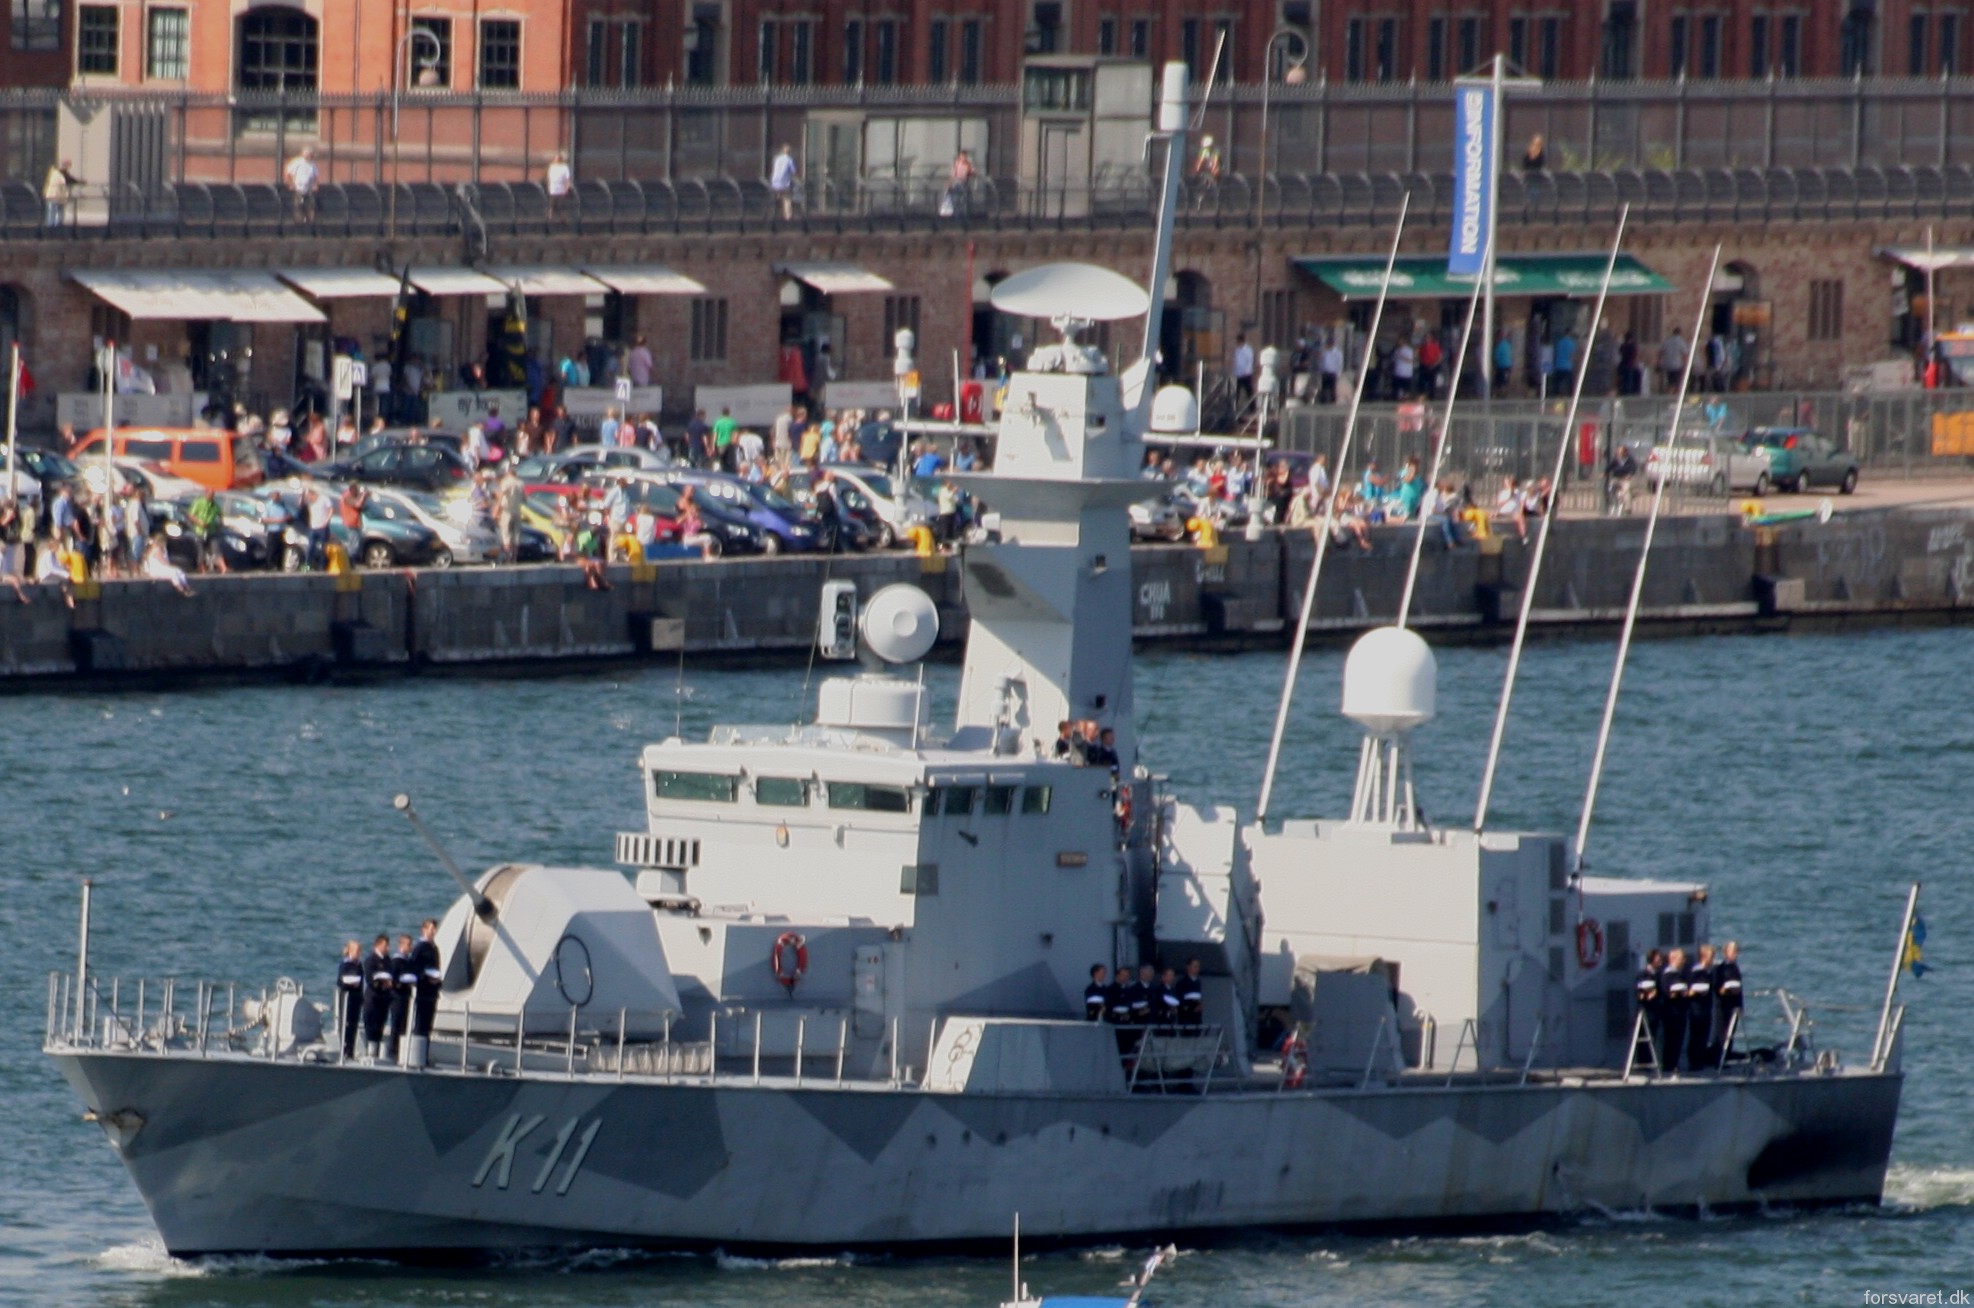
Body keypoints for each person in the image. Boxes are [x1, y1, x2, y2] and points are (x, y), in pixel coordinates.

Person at [359, 934, 395, 1060]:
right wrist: (382, 983)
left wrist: (389, 984)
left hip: (384, 998)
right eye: (385, 945)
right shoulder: (370, 960)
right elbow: (370, 979)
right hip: (373, 997)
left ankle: (378, 1052)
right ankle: (371, 1052)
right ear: (378, 945)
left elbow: (392, 974)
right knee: (371, 1024)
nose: (388, 948)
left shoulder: (388, 961)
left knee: (381, 1024)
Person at [410, 918, 444, 1042]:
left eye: (435, 929)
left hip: (432, 991)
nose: (434, 931)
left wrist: (438, 981)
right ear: (424, 930)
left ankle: (424, 1051)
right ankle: (417, 1049)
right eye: (431, 929)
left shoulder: (434, 947)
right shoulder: (420, 947)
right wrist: (425, 978)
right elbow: (413, 967)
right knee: (421, 1021)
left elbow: (437, 967)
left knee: (428, 1023)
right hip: (423, 989)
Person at [1685, 943, 1717, 1071]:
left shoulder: (1708, 972)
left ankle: (1700, 1060)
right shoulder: (1697, 972)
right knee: (1696, 1037)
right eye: (1711, 957)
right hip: (1697, 1009)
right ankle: (1694, 1062)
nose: (1712, 959)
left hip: (1706, 1008)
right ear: (1704, 957)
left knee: (1703, 1036)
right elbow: (1690, 989)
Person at [1658, 947, 1689, 1072]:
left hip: (1680, 1012)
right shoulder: (1668, 975)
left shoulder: (1679, 975)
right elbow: (1667, 992)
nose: (1684, 961)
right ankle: (1669, 1065)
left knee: (1678, 1040)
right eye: (1682, 959)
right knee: (1671, 1040)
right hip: (1671, 1012)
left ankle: (1674, 1063)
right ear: (1673, 959)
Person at [388, 933, 417, 1062]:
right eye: (408, 944)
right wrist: (401, 983)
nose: (411, 947)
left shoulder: (409, 961)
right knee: (396, 1024)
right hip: (397, 996)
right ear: (401, 945)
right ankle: (392, 1050)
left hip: (406, 996)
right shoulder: (396, 961)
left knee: (405, 1025)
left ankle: (401, 1050)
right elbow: (393, 980)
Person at [1713, 940, 1744, 1056]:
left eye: (1736, 951)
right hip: (1723, 1005)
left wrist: (1740, 1005)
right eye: (1733, 951)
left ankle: (1727, 1055)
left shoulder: (1735, 968)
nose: (1735, 954)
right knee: (1722, 1033)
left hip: (1734, 1005)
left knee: (1731, 1033)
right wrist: (1726, 990)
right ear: (1726, 952)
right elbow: (1717, 988)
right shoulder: (1721, 968)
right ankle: (1720, 1056)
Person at [1634, 948, 1664, 1068]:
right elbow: (1639, 991)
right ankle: (1643, 1063)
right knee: (1644, 1036)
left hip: (1656, 1009)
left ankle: (1650, 1061)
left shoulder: (1659, 974)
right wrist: (1647, 994)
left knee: (1653, 1036)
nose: (1660, 960)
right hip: (1647, 1009)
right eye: (1658, 958)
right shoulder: (1644, 974)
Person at [336, 940, 365, 1059]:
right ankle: (344, 1047)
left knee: (354, 1023)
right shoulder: (345, 964)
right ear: (350, 951)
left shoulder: (359, 965)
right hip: (347, 996)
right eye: (356, 951)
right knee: (346, 1023)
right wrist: (350, 983)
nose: (358, 954)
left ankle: (351, 1049)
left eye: (359, 951)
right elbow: (340, 981)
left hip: (356, 997)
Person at [188, 488, 225, 574]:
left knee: (216, 548)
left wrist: (219, 525)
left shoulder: (215, 505)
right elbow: (191, 515)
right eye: (210, 494)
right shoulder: (198, 503)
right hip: (199, 531)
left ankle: (223, 568)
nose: (211, 496)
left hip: (211, 531)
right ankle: (202, 569)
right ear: (205, 494)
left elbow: (220, 517)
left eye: (213, 494)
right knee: (201, 551)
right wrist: (199, 522)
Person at [496, 464, 524, 563]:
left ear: (508, 473)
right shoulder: (520, 483)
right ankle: (514, 558)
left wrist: (497, 509)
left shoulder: (506, 482)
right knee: (516, 535)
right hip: (517, 511)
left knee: (506, 534)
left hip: (507, 511)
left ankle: (508, 557)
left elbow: (501, 495)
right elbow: (524, 498)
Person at [284, 146, 318, 222]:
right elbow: (288, 172)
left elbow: (315, 176)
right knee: (298, 205)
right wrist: (291, 184)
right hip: (298, 188)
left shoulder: (312, 164)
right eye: (307, 154)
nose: (309, 156)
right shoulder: (297, 162)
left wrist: (314, 185)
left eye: (310, 154)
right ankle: (299, 222)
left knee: (310, 205)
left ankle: (310, 221)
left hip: (308, 188)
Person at [1605, 443, 1638, 516]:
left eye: (1621, 452)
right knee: (1610, 489)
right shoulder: (1616, 459)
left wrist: (1630, 475)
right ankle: (1612, 503)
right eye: (1618, 452)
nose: (1619, 454)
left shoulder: (1630, 460)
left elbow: (1633, 468)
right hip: (1616, 478)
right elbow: (1610, 466)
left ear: (1625, 452)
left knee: (1626, 491)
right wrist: (1605, 473)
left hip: (1625, 479)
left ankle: (1627, 508)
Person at [42, 157, 76, 227]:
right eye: (68, 165)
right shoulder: (58, 173)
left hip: (59, 197)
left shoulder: (60, 173)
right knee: (52, 212)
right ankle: (51, 227)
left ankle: (57, 225)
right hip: (54, 196)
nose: (69, 167)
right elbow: (67, 181)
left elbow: (70, 180)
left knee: (58, 211)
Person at [769, 143, 799, 220]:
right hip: (784, 183)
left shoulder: (777, 159)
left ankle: (773, 213)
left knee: (777, 197)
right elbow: (794, 171)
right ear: (789, 152)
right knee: (787, 199)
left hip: (775, 182)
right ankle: (788, 216)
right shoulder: (789, 159)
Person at [942, 148, 974, 218]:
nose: (964, 157)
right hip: (957, 182)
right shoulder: (957, 164)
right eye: (962, 156)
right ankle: (956, 214)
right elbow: (953, 174)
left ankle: (965, 213)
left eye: (965, 156)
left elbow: (971, 172)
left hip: (964, 182)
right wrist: (949, 183)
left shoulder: (967, 164)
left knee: (964, 199)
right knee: (956, 198)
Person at [1177, 959, 1205, 1029]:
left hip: (1197, 1018)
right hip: (1186, 1019)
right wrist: (1191, 1008)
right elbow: (1180, 1001)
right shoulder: (1182, 983)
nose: (1197, 968)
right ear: (1188, 967)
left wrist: (1200, 1005)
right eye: (1195, 966)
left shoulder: (1198, 982)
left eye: (1198, 966)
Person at [1660, 326, 1689, 391]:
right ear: (1680, 333)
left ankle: (1669, 392)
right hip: (1677, 365)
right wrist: (1686, 364)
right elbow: (1685, 355)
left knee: (1670, 380)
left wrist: (1659, 362)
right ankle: (1673, 394)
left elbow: (1661, 353)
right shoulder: (1681, 342)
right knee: (1677, 382)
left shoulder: (1667, 341)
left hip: (1667, 364)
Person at [545, 152, 573, 218]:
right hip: (554, 187)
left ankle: (563, 216)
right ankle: (550, 215)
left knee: (562, 203)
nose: (557, 160)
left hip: (562, 187)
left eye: (558, 159)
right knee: (552, 202)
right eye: (556, 159)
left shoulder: (564, 167)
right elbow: (549, 177)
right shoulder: (552, 167)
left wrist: (567, 186)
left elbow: (567, 178)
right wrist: (549, 185)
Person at [1231, 333, 1256, 402]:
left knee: (1249, 391)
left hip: (1246, 374)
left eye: (1238, 341)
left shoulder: (1248, 349)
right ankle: (1235, 405)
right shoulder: (1237, 350)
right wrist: (1234, 371)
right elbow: (1236, 361)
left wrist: (1247, 371)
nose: (1237, 342)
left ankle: (1252, 407)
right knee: (1237, 391)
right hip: (1239, 373)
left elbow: (1250, 361)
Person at [1319, 336, 1343, 404]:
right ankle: (1323, 401)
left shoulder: (1338, 353)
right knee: (1324, 388)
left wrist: (1338, 373)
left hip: (1333, 373)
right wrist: (1321, 370)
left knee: (1333, 389)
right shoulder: (1325, 352)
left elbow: (1339, 364)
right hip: (1325, 373)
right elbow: (1322, 362)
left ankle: (1333, 402)